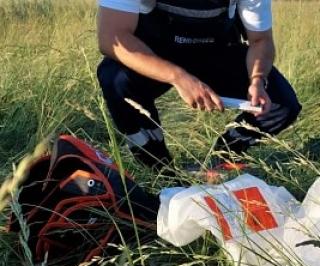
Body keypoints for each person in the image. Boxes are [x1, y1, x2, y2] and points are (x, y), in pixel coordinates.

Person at [96, 0, 301, 170]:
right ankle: (158, 169)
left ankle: (220, 160)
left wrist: (257, 79)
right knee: (115, 79)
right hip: (155, 53)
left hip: (216, 51)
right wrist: (178, 77)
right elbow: (112, 38)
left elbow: (261, 40)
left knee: (280, 103)